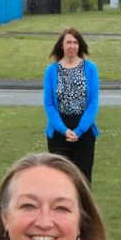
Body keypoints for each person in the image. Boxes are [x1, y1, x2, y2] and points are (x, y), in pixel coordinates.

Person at [42, 27, 101, 184]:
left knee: (82, 181)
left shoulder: (90, 69)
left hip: (84, 132)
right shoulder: (51, 71)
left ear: (80, 45)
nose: (72, 46)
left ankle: (82, 209)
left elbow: (93, 103)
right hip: (59, 132)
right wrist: (64, 130)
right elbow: (49, 105)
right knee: (59, 181)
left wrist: (80, 130)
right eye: (68, 42)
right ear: (62, 45)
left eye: (75, 42)